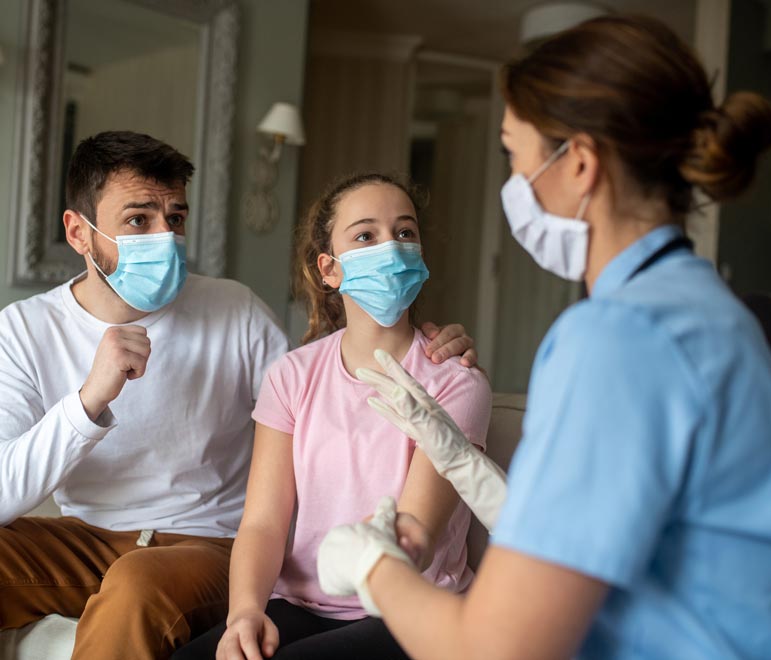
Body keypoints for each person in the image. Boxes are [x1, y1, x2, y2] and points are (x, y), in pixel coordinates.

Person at [316, 15, 771, 660]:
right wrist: (461, 461)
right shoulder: (706, 306)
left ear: (577, 163)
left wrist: (373, 568)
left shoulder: (618, 338)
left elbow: (493, 649)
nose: (513, 186)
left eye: (514, 156)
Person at [0, 132, 477, 660]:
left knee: (137, 584)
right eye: (139, 220)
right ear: (78, 232)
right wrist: (87, 402)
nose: (165, 238)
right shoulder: (23, 328)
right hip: (86, 538)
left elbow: (324, 401)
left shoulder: (235, 310)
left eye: (175, 218)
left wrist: (434, 352)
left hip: (205, 543)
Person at [172, 172, 492, 660]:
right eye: (366, 235)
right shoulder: (292, 375)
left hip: (407, 610)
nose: (391, 247)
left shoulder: (456, 382)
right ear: (330, 268)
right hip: (301, 601)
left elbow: (414, 535)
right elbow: (263, 523)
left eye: (405, 233)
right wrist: (244, 613)